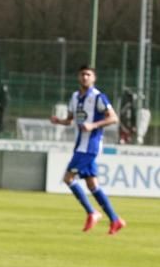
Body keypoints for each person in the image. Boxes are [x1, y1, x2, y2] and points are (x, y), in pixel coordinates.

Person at [50, 65, 126, 235]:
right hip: (80, 145)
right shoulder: (75, 97)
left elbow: (113, 118)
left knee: (69, 178)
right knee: (92, 185)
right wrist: (59, 121)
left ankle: (92, 212)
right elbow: (70, 120)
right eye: (82, 74)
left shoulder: (98, 97)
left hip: (90, 146)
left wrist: (93, 125)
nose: (85, 77)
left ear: (94, 78)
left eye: (88, 74)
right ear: (79, 77)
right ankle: (115, 220)